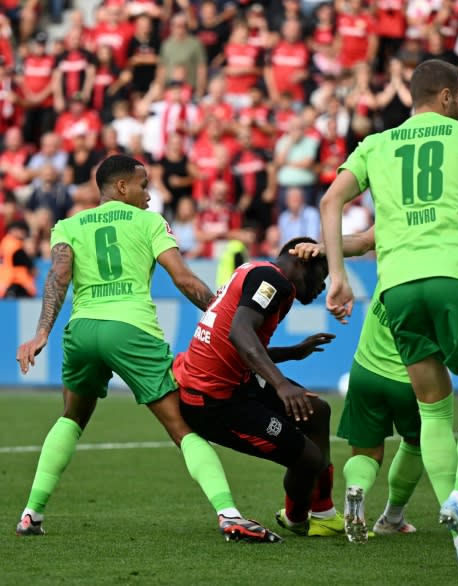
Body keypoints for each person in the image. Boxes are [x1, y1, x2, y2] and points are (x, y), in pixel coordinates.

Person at [319, 59, 458, 572]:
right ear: (446, 96)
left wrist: (338, 274)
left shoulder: (376, 144)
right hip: (456, 278)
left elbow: (330, 200)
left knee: (433, 410)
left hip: (397, 288)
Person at [14, 155, 277, 543]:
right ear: (122, 187)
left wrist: (40, 333)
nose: (150, 195)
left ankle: (30, 514)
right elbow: (186, 280)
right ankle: (229, 514)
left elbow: (58, 276)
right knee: (182, 427)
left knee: (71, 417)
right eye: (143, 185)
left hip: (82, 330)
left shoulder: (67, 226)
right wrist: (224, 316)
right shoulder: (149, 222)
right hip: (132, 331)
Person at [292, 197, 458, 546]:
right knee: (421, 443)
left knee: (366, 453)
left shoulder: (402, 230)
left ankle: (356, 489)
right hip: (411, 379)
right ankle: (394, 516)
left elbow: (361, 240)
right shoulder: (455, 265)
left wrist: (322, 247)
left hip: (364, 371)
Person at [174, 237, 345, 538]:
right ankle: (296, 518)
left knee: (317, 411)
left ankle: (324, 513)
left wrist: (292, 352)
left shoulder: (257, 270)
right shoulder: (273, 281)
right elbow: (240, 334)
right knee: (310, 459)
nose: (322, 285)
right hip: (213, 400)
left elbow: (235, 341)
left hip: (232, 380)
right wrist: (280, 383)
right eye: (321, 274)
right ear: (300, 260)